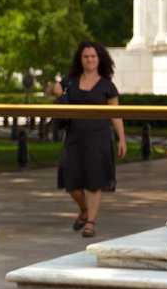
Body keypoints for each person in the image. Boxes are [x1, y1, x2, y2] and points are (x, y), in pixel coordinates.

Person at [51, 42, 127, 238]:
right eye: (86, 56)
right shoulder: (70, 81)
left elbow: (116, 114)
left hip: (98, 138)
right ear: (80, 59)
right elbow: (50, 89)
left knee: (95, 182)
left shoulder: (107, 86)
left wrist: (122, 139)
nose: (89, 60)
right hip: (74, 137)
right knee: (72, 182)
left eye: (93, 56)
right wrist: (55, 89)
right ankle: (84, 209)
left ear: (99, 59)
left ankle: (90, 222)